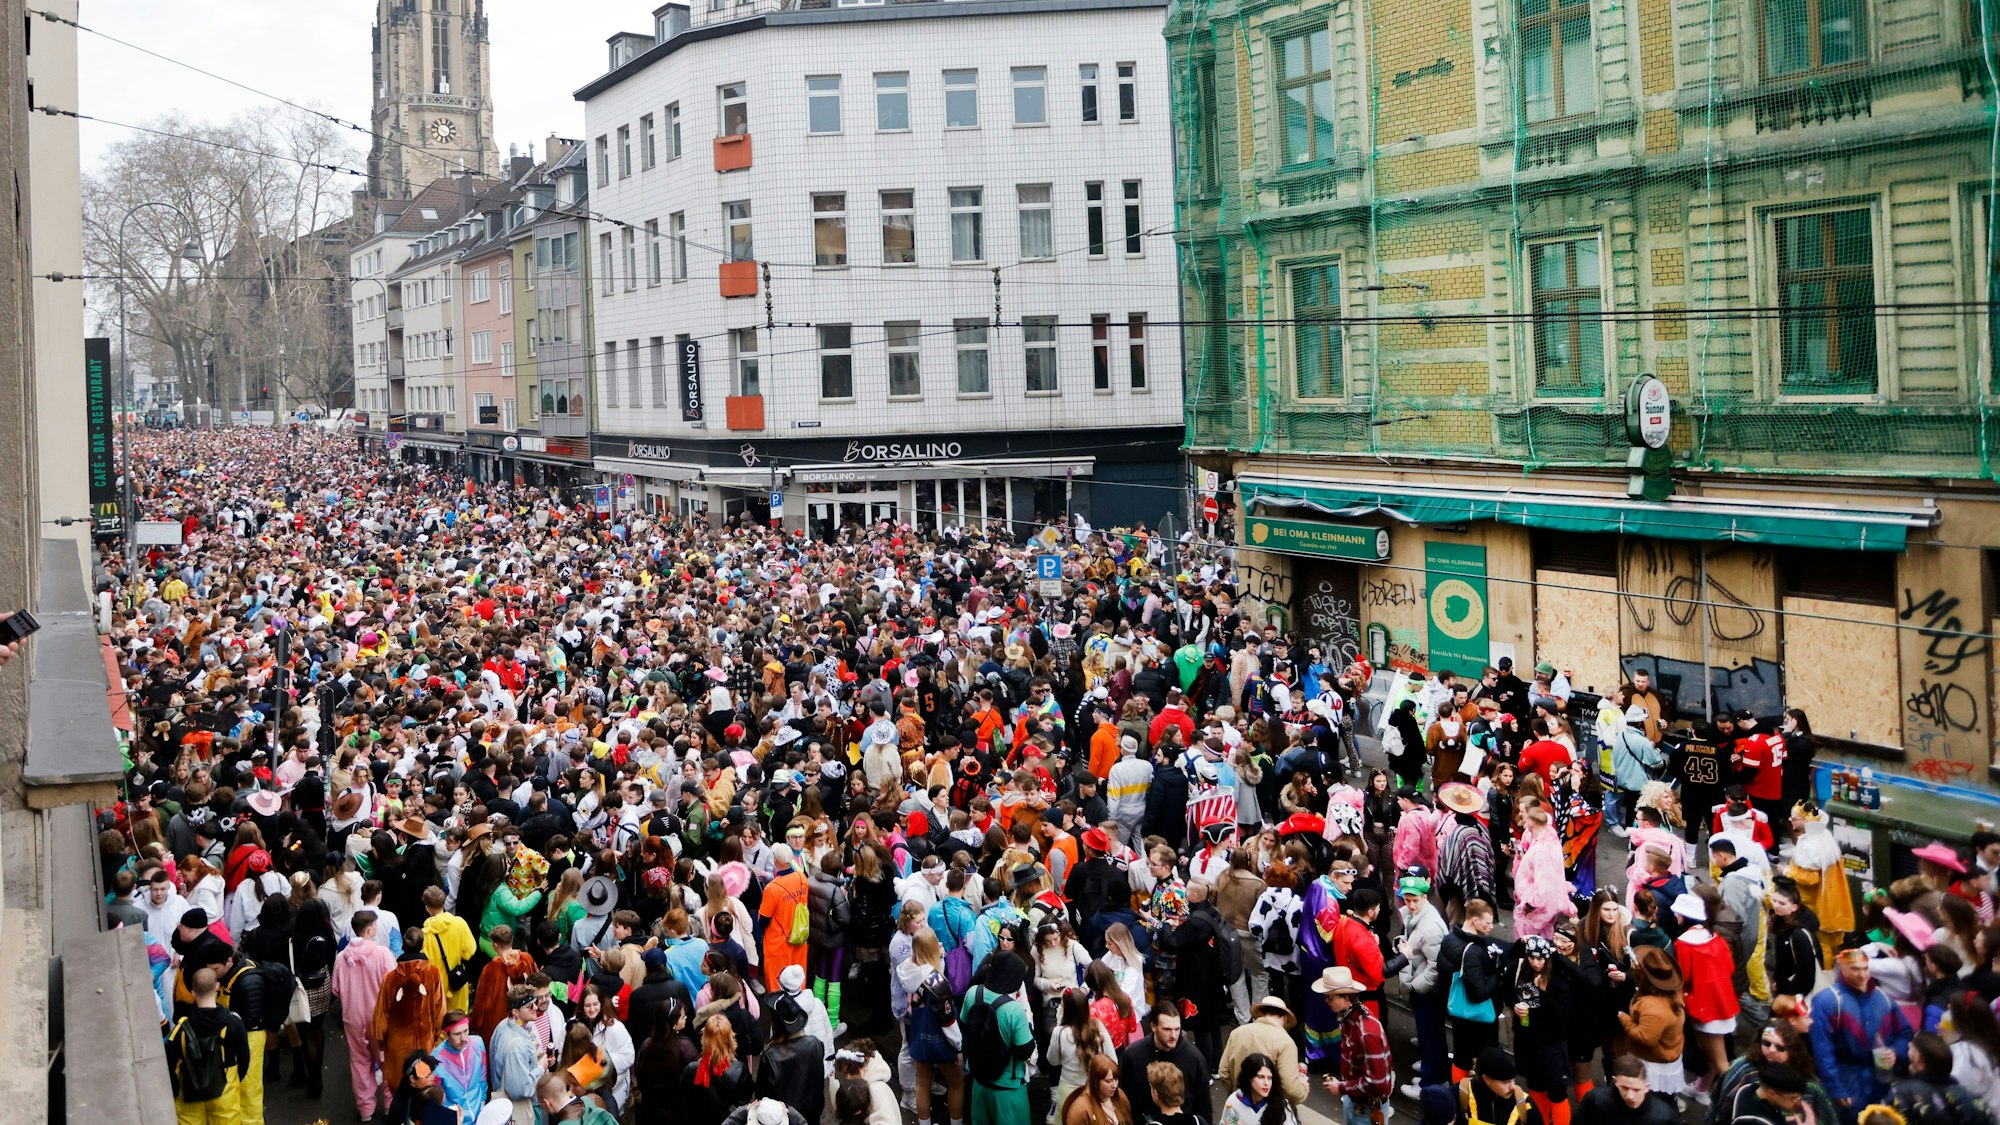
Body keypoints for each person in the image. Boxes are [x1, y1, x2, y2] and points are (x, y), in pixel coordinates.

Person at [1811, 948, 1914, 1117]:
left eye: (1865, 968)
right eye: (1855, 969)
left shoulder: (1884, 998)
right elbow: (1823, 1051)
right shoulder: (1827, 1002)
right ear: (1840, 966)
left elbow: (1904, 1032)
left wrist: (1895, 1052)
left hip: (1881, 1078)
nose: (1862, 975)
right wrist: (1836, 1087)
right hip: (1847, 1078)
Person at [330, 908, 397, 1122]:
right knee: (388, 1062)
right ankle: (390, 1105)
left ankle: (365, 1110)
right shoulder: (382, 954)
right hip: (380, 1019)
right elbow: (393, 986)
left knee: (359, 1064)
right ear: (369, 930)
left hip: (353, 1019)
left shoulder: (341, 958)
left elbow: (336, 990)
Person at [168, 967, 252, 1125]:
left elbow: (170, 1064)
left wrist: (174, 1090)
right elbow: (244, 1057)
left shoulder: (181, 1029)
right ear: (217, 987)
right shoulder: (233, 1023)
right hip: (225, 1090)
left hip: (190, 1093)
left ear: (193, 992)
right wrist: (236, 1079)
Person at [963, 951, 1036, 1125]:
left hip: (979, 1082)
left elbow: (964, 1024)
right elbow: (1024, 1050)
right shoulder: (1013, 1009)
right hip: (1007, 1089)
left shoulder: (973, 993)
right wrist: (1029, 1023)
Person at [1313, 966, 1392, 1125]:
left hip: (1367, 1112)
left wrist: (1341, 1088)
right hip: (1357, 1103)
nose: (1326, 1001)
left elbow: (1377, 1084)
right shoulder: (1350, 1018)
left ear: (1346, 997)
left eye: (1330, 997)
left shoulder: (1366, 1033)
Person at [1119, 1005, 1213, 1124]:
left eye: (1177, 1029)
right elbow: (1126, 1101)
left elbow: (1204, 1107)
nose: (1173, 1035)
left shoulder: (1194, 1058)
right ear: (1153, 1026)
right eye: (1167, 1029)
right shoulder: (1133, 1056)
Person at [1217, 996, 1307, 1111]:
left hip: (1239, 1105)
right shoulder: (1285, 1042)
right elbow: (1290, 1088)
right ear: (1284, 1018)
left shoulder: (1237, 1033)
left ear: (1261, 1013)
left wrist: (1235, 1093)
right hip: (1270, 1111)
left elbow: (1224, 1071)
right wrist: (1303, 1089)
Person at [1881, 1033, 1989, 1125]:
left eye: (1910, 1048)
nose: (1908, 1051)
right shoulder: (1970, 1097)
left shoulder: (1901, 1094)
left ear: (1918, 1057)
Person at [756, 993, 827, 1124]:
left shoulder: (771, 1056)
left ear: (776, 1024)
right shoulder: (815, 1043)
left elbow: (762, 1097)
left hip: (783, 1118)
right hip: (811, 1114)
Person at [489, 984, 548, 1125]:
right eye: (529, 1006)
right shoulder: (516, 1045)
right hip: (523, 1110)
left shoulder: (503, 1025)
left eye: (534, 1003)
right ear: (515, 1012)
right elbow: (520, 1090)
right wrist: (541, 1068)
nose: (535, 1008)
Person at [682, 1014, 753, 1125]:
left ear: (704, 1038)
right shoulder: (740, 1069)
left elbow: (684, 1105)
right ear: (730, 1038)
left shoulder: (691, 1070)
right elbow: (743, 1105)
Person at [1577, 1055, 1676, 1125]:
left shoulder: (1664, 1117)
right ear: (1615, 1082)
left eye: (1636, 1090)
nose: (1630, 1096)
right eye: (1624, 1088)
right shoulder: (1595, 1100)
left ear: (1647, 1087)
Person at [1455, 1048, 1545, 1125]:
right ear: (1486, 1079)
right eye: (1506, 1082)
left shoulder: (1524, 1104)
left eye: (1513, 1080)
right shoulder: (1460, 1094)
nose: (1513, 1087)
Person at [430, 1011, 489, 1124]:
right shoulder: (435, 1059)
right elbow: (438, 1098)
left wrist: (482, 1103)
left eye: (466, 1031)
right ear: (445, 1035)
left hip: (480, 1116)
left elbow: (482, 1076)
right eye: (457, 1034)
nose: (463, 1038)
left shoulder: (478, 1043)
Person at [1219, 1053, 1297, 1125]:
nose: (1266, 1083)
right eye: (1261, 1077)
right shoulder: (1234, 1101)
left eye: (1269, 1078)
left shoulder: (1280, 1103)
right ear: (1249, 1077)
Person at [1058, 1052, 1133, 1125]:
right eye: (1108, 1081)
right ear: (1096, 1081)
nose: (1114, 1085)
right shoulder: (1080, 1109)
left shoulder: (1120, 1096)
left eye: (1116, 1079)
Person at [1724, 1063, 1811, 1125]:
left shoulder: (1746, 1090)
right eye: (1793, 1098)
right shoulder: (1753, 1122)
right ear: (1772, 1093)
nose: (1799, 1103)